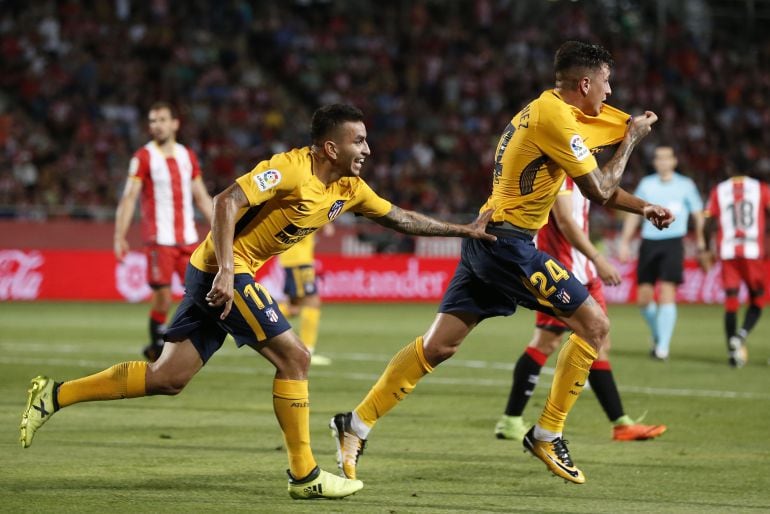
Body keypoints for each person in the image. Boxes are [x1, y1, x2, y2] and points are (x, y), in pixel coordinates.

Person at [19, 104, 496, 500]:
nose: (367, 150)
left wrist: (463, 230)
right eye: (359, 141)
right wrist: (227, 270)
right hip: (221, 271)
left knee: (168, 377)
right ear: (332, 147)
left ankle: (54, 395)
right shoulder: (289, 168)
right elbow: (227, 201)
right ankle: (304, 475)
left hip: (220, 271)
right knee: (296, 357)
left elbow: (400, 218)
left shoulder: (348, 188)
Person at [329, 41, 674, 486]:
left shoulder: (546, 113)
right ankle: (547, 433)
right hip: (507, 245)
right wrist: (629, 141)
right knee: (596, 326)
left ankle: (354, 425)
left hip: (488, 240)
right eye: (606, 83)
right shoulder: (554, 118)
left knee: (439, 346)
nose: (609, 94)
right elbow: (600, 191)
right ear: (585, 83)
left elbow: (598, 182)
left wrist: (644, 207)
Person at [494, 176, 667, 442]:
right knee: (546, 342)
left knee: (598, 343)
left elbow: (606, 189)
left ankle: (621, 423)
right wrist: (598, 258)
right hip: (561, 274)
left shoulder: (581, 173)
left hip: (583, 274)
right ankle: (511, 420)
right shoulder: (558, 172)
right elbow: (564, 220)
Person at [114, 102, 214, 362]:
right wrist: (119, 235)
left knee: (202, 294)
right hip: (159, 239)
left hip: (189, 239)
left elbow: (202, 197)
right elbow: (129, 198)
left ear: (174, 124)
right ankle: (156, 347)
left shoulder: (187, 156)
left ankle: (185, 342)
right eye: (152, 121)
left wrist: (222, 227)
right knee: (162, 298)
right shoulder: (143, 157)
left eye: (161, 120)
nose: (156, 126)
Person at [618, 145, 705, 361]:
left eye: (666, 158)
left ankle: (662, 348)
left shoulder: (685, 185)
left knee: (667, 292)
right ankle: (659, 336)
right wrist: (625, 242)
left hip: (674, 242)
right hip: (649, 242)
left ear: (674, 161)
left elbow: (698, 214)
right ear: (655, 162)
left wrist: (702, 240)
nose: (662, 162)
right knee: (644, 298)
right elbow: (634, 213)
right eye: (658, 158)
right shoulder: (647, 184)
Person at [701, 167, 770, 367]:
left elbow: (707, 222)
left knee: (731, 301)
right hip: (753, 252)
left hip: (728, 252)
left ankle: (733, 353)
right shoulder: (762, 188)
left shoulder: (718, 190)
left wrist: (706, 247)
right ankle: (740, 336)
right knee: (758, 299)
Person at [277, 226, 333, 366]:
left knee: (294, 308)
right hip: (299, 261)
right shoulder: (304, 207)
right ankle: (307, 350)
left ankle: (246, 322)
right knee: (312, 303)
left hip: (295, 259)